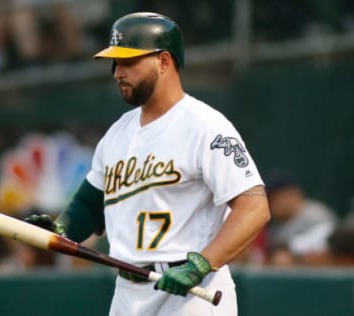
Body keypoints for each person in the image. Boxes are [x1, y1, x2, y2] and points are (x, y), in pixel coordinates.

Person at [25, 12, 270, 316]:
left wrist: (202, 264)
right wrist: (60, 228)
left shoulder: (206, 126)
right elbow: (90, 204)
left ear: (164, 61)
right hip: (127, 292)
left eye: (129, 62)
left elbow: (254, 208)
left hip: (191, 291)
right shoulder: (117, 132)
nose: (117, 73)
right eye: (115, 64)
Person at [265, 171, 337, 265]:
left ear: (291, 193)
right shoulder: (276, 226)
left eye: (273, 198)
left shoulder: (316, 214)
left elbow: (328, 245)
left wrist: (289, 249)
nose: (270, 203)